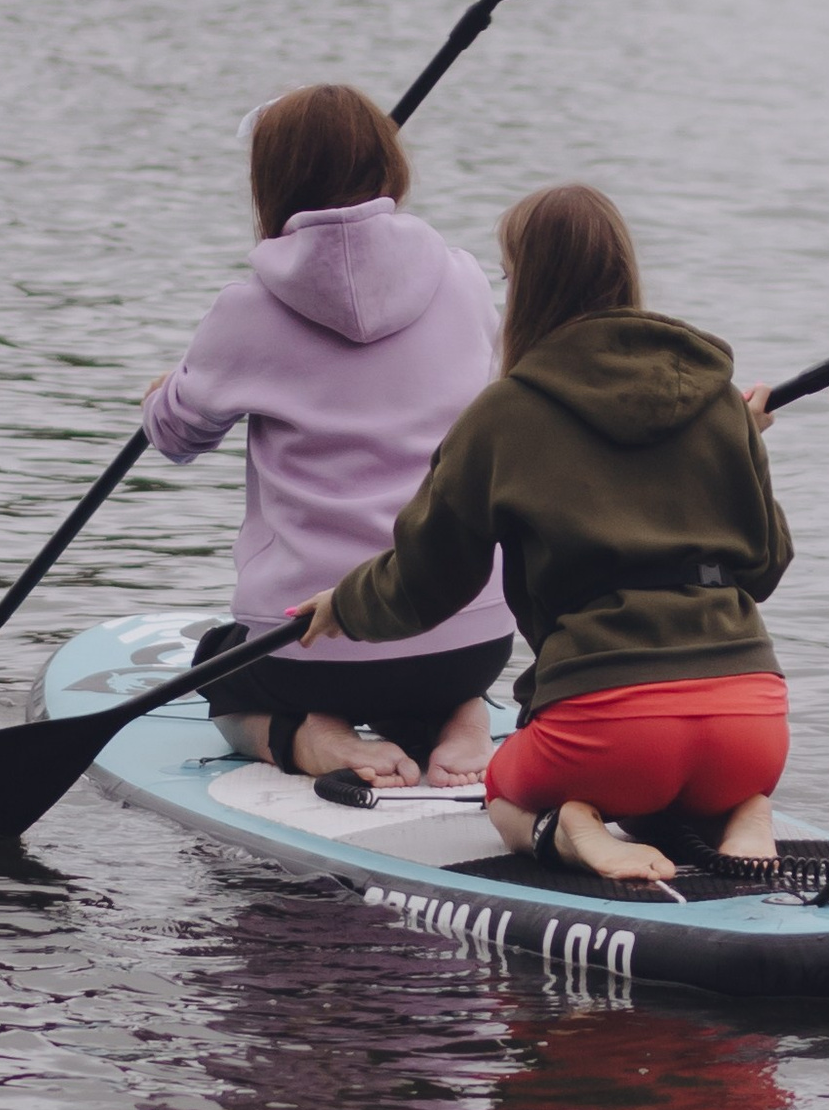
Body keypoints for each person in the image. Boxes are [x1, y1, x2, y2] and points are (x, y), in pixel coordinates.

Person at [297, 183, 790, 888]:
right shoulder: (718, 399)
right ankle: (746, 813)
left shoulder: (507, 414)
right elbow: (765, 567)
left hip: (610, 730)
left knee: (503, 788)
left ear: (529, 285)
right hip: (752, 726)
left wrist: (345, 605)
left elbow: (427, 579)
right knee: (696, 783)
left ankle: (574, 829)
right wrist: (744, 442)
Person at [142, 82, 513, 787]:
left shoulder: (245, 312)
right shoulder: (464, 280)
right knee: (434, 663)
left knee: (218, 668)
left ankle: (310, 736)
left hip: (307, 645)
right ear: (389, 168)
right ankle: (464, 714)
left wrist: (167, 390)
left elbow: (177, 437)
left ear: (271, 183)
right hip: (471, 635)